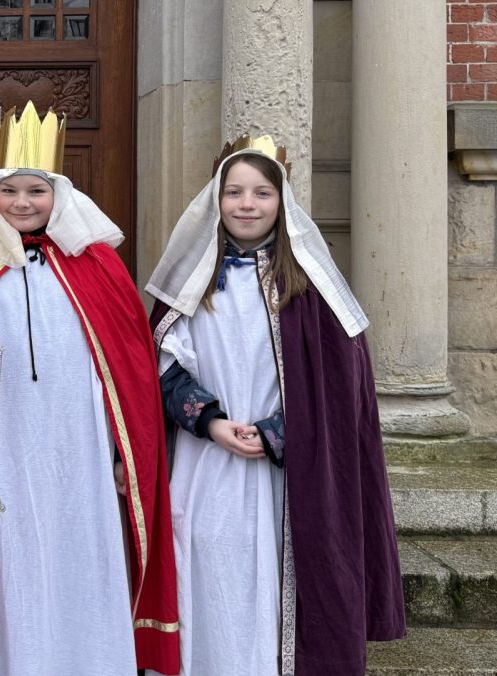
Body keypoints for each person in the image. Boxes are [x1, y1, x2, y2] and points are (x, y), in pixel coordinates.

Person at [0, 102, 180, 676]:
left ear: (57, 197)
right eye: (9, 192)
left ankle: (87, 660)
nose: (21, 203)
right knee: (5, 550)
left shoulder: (97, 266)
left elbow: (126, 368)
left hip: (78, 446)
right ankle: (8, 661)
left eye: (34, 191)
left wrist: (121, 451)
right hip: (2, 443)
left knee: (79, 548)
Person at [142, 136, 405, 676]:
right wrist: (210, 421)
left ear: (282, 201)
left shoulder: (312, 286)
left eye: (262, 193)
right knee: (204, 562)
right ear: (214, 200)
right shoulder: (190, 284)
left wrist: (277, 433)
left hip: (286, 474)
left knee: (273, 578)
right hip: (203, 463)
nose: (246, 204)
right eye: (234, 192)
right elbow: (160, 368)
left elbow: (341, 390)